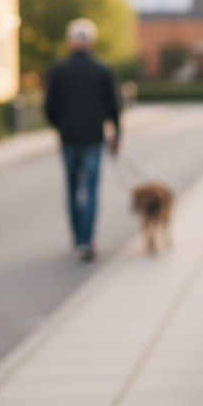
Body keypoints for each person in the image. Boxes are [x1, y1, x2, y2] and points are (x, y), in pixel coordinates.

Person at [44, 18, 121, 260]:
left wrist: (61, 126)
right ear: (92, 42)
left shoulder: (58, 70)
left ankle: (77, 239)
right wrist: (116, 134)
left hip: (68, 138)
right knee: (89, 189)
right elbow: (114, 107)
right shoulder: (102, 70)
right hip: (93, 138)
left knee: (71, 188)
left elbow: (48, 107)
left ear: (70, 41)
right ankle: (87, 241)